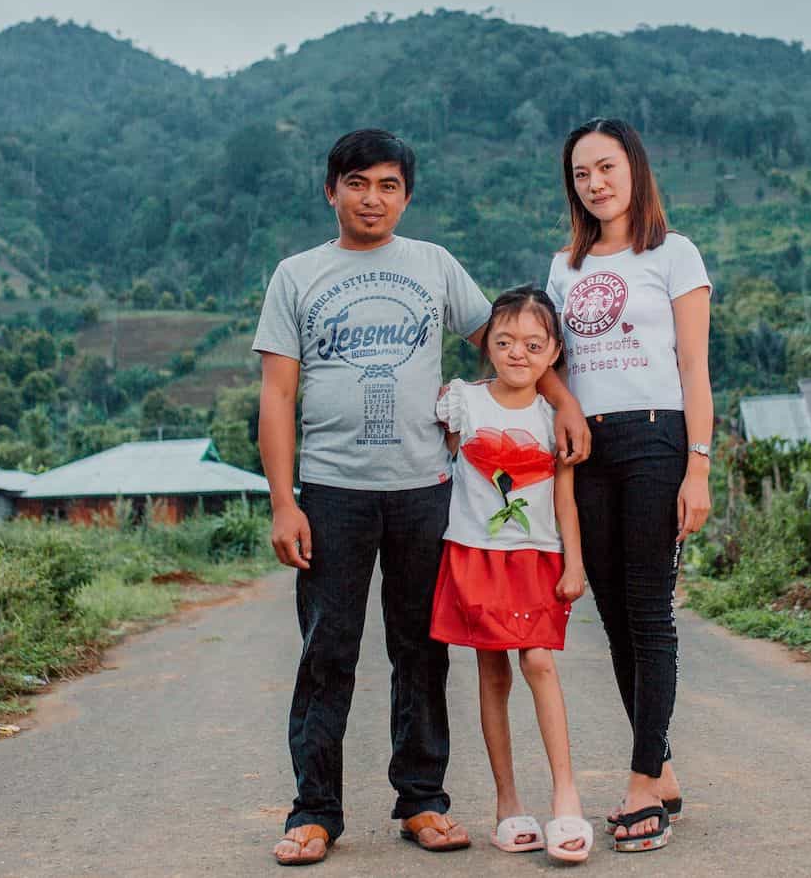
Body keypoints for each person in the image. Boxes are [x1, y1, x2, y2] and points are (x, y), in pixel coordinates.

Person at [254, 129, 589, 867]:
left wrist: (563, 403)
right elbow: (278, 395)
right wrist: (285, 499)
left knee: (423, 650)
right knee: (327, 651)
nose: (372, 198)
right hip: (334, 491)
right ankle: (314, 811)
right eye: (358, 183)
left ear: (406, 195)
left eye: (388, 185)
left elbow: (507, 340)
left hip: (424, 491)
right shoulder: (297, 275)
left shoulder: (433, 265)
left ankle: (423, 800)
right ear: (331, 190)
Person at [544, 117, 712, 853]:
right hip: (588, 447)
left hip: (655, 437)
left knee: (649, 610)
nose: (595, 183)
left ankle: (643, 780)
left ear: (634, 170)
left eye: (606, 167)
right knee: (613, 615)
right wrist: (566, 405)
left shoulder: (673, 255)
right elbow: (549, 360)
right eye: (582, 174)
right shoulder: (564, 266)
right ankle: (664, 767)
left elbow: (696, 368)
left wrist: (698, 463)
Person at [430, 286, 594, 864]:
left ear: (553, 353)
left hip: (537, 558)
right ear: (487, 347)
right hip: (475, 554)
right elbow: (443, 466)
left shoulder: (557, 417)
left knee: (540, 662)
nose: (516, 353)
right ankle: (507, 803)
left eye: (532, 343)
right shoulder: (463, 403)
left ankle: (566, 798)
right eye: (503, 341)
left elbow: (567, 500)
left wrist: (575, 563)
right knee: (492, 671)